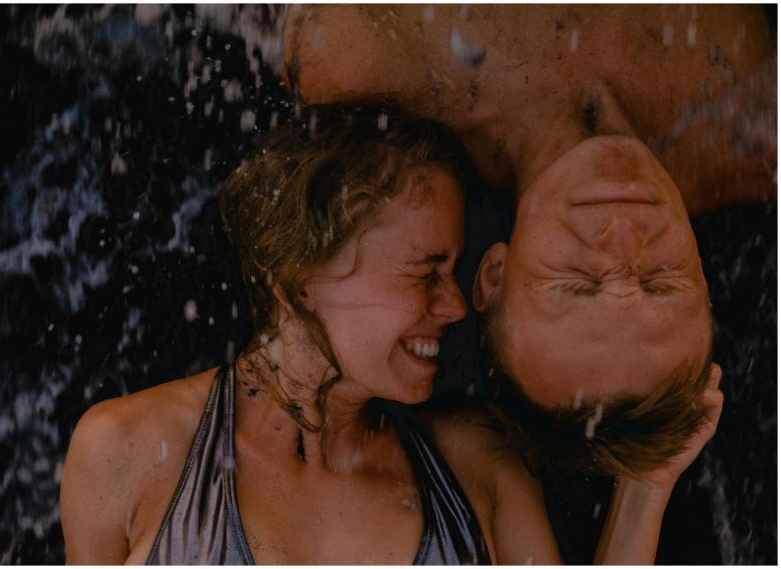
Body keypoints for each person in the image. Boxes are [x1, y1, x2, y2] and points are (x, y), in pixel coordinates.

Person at [59, 107, 719, 565]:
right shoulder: (124, 452)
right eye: (426, 272)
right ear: (301, 278)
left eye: (454, 268)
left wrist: (646, 485)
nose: (456, 304)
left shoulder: (478, 463)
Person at [283, 4, 772, 475]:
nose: (623, 233)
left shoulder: (370, 62)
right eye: (663, 279)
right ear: (705, 278)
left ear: (495, 273)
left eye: (577, 281)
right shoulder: (759, 116)